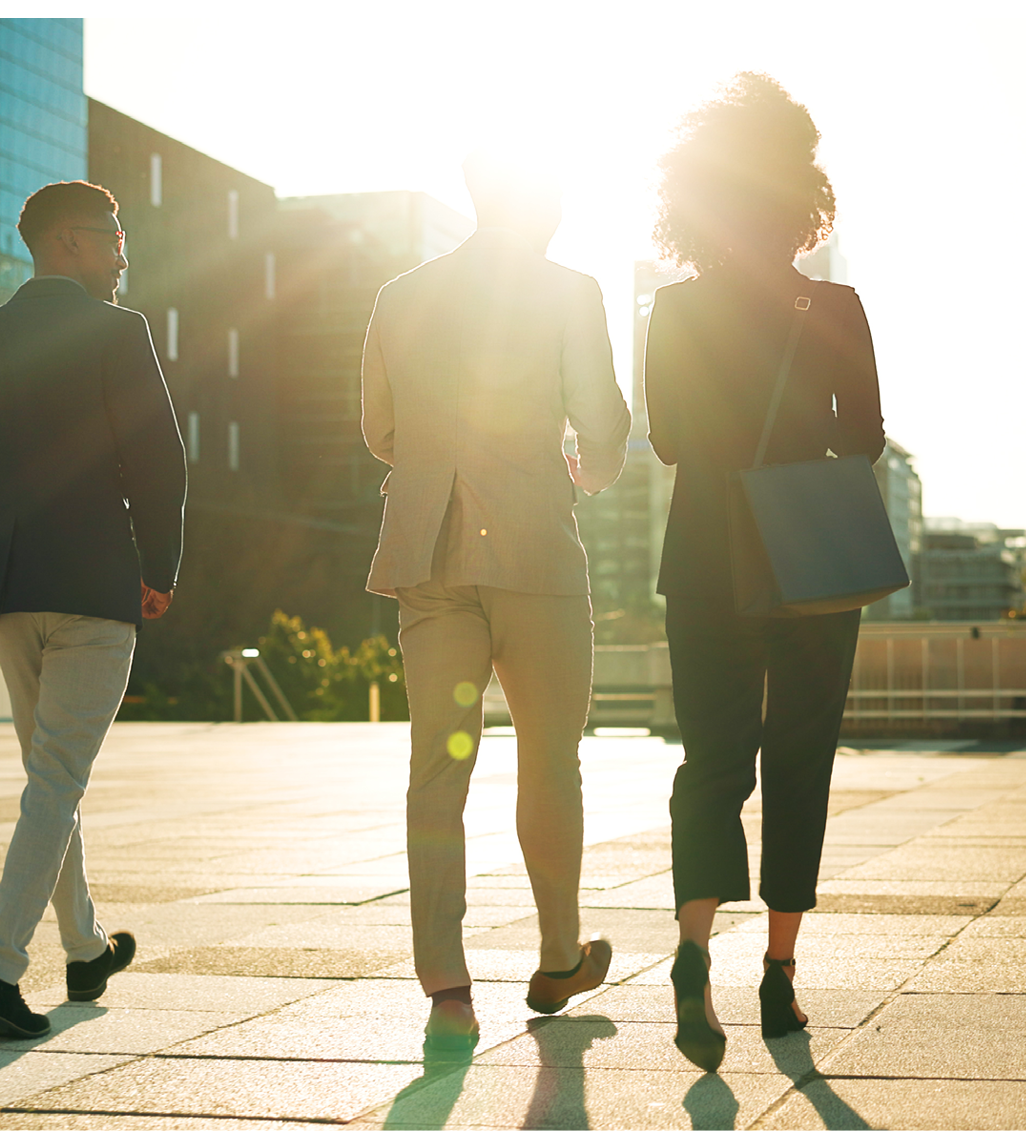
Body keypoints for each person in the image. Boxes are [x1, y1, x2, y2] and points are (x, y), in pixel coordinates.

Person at [361, 150, 632, 1054]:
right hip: (534, 552)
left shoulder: (401, 295)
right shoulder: (570, 292)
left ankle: (445, 981)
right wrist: (586, 474)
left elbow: (379, 429)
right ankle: (559, 953)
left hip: (431, 553)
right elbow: (601, 419)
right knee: (550, 758)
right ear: (541, 203)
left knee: (437, 770)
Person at [642, 74, 885, 1068]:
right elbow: (862, 438)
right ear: (799, 198)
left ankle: (693, 950)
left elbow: (665, 442)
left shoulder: (674, 310)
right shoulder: (831, 303)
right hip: (808, 556)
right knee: (799, 759)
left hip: (704, 550)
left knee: (710, 760)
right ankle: (779, 975)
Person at [0, 180, 187, 1039]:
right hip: (92, 590)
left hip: (4, 595)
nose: (122, 252)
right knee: (56, 780)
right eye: (115, 235)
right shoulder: (119, 331)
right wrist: (160, 565)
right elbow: (159, 459)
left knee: (50, 777)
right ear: (71, 242)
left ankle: (84, 949)